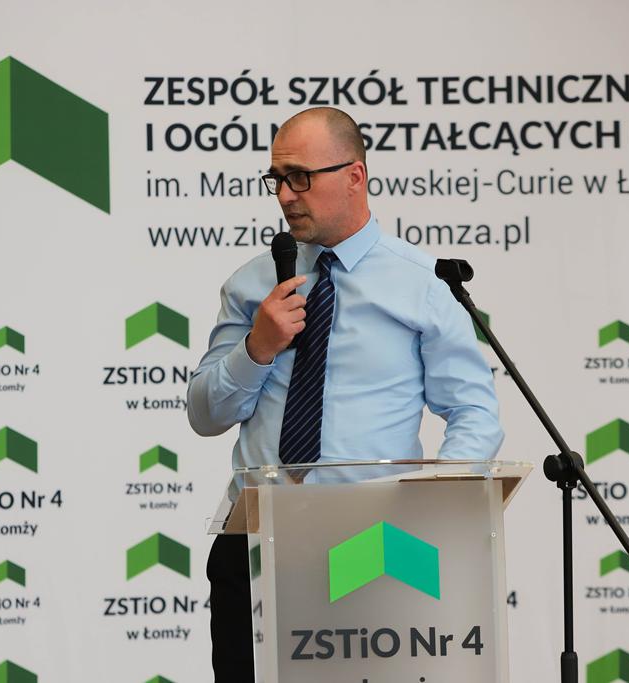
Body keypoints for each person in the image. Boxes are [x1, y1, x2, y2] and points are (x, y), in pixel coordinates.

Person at [187, 106, 503, 682]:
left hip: (373, 545)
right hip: (255, 542)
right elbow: (205, 414)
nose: (285, 195)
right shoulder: (252, 284)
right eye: (277, 179)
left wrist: (430, 509)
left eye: (300, 177)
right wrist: (257, 348)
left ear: (355, 176)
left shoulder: (424, 284)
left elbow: (474, 410)